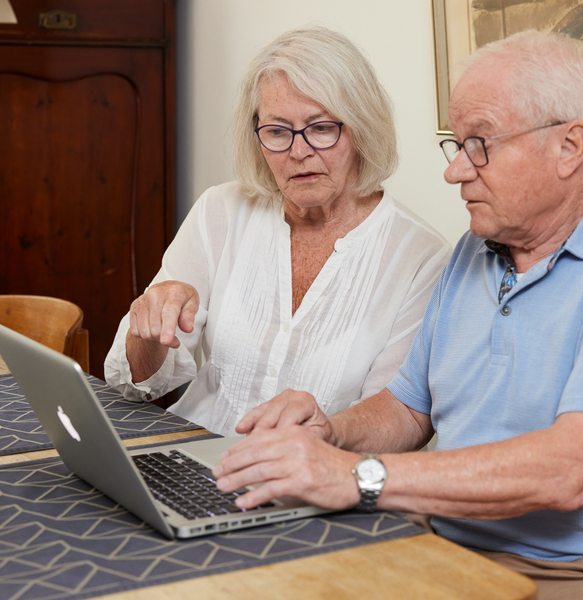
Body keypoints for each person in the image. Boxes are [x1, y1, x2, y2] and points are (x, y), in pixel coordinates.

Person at [212, 29, 583, 600]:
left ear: (569, 146)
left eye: (480, 144)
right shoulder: (474, 251)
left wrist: (354, 476)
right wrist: (332, 431)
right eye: (457, 145)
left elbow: (568, 471)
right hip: (446, 547)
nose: (455, 172)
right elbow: (409, 408)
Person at [104, 27, 450, 437]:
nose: (298, 152)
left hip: (313, 468)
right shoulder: (220, 210)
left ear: (362, 127)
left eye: (321, 128)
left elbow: (399, 418)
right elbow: (138, 384)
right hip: (193, 452)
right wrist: (148, 331)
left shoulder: (421, 258)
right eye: (277, 131)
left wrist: (320, 437)